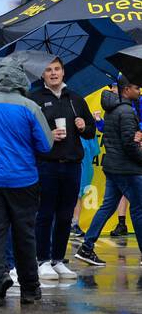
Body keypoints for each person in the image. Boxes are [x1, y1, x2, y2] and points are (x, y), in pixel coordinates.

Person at [0, 58, 53, 306]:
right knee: (25, 234)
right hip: (24, 180)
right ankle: (30, 289)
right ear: (20, 80)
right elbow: (46, 145)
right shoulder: (30, 106)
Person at [26, 58, 96, 281]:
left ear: (63, 72)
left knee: (66, 215)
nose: (53, 73)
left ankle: (58, 259)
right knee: (44, 213)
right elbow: (27, 134)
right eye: (48, 70)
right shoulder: (34, 99)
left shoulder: (75, 98)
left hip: (72, 164)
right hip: (46, 164)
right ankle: (42, 260)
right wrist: (48, 136)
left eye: (57, 69)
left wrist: (84, 126)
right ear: (43, 75)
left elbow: (91, 132)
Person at [74, 75, 142, 266]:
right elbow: (129, 145)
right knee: (138, 210)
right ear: (127, 89)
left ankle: (87, 247)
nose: (139, 91)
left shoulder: (112, 109)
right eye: (137, 87)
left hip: (113, 166)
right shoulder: (127, 111)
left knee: (107, 207)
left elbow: (122, 138)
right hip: (126, 168)